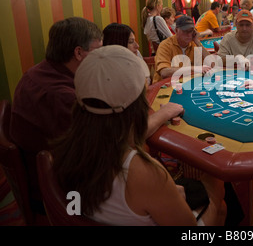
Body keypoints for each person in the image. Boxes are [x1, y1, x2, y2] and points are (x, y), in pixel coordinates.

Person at [52, 45, 226, 226]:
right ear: (138, 106)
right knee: (217, 190)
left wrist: (167, 191)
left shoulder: (61, 152)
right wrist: (216, 172)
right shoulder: (144, 172)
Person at [10, 17, 103, 213]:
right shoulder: (61, 96)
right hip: (61, 192)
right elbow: (99, 147)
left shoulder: (35, 72)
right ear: (78, 52)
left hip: (40, 171)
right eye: (98, 50)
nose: (101, 57)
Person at [102, 22, 185, 130]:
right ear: (117, 47)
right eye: (131, 42)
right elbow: (132, 134)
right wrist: (165, 113)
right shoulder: (113, 81)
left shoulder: (124, 69)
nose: (137, 45)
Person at [153, 15, 212, 83]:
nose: (189, 34)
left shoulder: (194, 44)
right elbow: (164, 72)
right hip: (163, 87)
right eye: (185, 31)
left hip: (185, 83)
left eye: (191, 31)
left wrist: (197, 42)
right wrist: (193, 68)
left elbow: (212, 64)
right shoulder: (165, 45)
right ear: (176, 30)